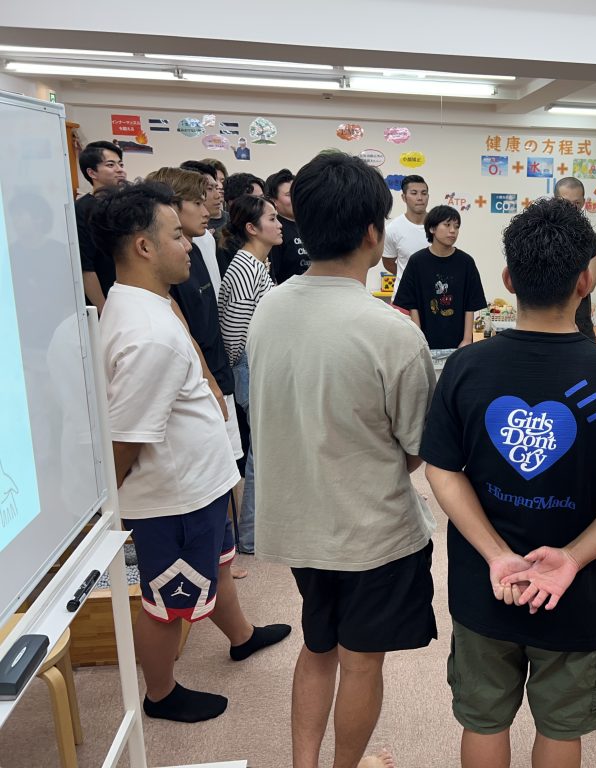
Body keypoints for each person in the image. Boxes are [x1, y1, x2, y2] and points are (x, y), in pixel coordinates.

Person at [421, 197, 596, 768]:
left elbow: (442, 469)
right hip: (576, 593)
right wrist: (572, 558)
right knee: (561, 727)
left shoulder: (466, 367)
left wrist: (496, 555)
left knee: (483, 719)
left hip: (486, 586)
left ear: (508, 280)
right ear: (585, 281)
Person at [247, 152, 436, 768]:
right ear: (374, 234)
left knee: (317, 646)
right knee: (360, 662)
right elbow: (416, 449)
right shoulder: (392, 332)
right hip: (369, 531)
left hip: (298, 525)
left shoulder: (270, 306)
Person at [91, 181, 290, 723]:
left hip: (199, 483)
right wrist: (110, 506)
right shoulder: (147, 333)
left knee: (217, 568)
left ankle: (242, 636)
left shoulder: (147, 304)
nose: (190, 245)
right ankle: (160, 695)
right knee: (168, 603)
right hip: (173, 499)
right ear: (143, 246)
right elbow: (127, 437)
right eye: (177, 235)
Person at [151, 166, 248, 578]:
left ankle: (225, 556)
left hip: (218, 372)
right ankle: (221, 556)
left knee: (228, 466)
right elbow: (186, 332)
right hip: (205, 380)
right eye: (197, 200)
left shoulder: (200, 246)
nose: (208, 207)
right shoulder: (169, 271)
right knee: (215, 473)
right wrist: (210, 380)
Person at [218, 195, 282, 555]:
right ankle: (251, 536)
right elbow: (234, 332)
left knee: (265, 451)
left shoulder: (257, 264)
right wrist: (242, 370)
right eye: (271, 218)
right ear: (251, 228)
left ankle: (258, 531)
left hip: (257, 363)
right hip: (250, 365)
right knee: (262, 454)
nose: (279, 224)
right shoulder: (245, 266)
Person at [392, 204, 487, 351]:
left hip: (458, 343)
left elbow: (470, 304)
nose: (453, 230)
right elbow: (412, 304)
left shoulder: (466, 262)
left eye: (456, 226)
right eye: (447, 225)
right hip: (425, 342)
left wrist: (467, 340)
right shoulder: (417, 261)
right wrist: (420, 339)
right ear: (432, 228)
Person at [76, 141, 127, 312]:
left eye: (121, 164)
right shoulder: (83, 209)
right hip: (104, 299)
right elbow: (86, 268)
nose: (119, 170)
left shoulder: (126, 205)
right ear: (92, 173)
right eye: (111, 165)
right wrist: (103, 310)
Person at [553, 177, 596, 340]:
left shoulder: (593, 241)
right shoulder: (540, 235)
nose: (571, 208)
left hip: (579, 323)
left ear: (583, 203)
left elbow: (589, 286)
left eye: (576, 203)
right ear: (555, 201)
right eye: (565, 202)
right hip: (542, 323)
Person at [180, 160, 225, 295]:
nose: (218, 195)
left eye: (216, 188)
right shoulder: (178, 242)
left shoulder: (206, 237)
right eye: (209, 189)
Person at [381, 174, 429, 298]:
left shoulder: (439, 225)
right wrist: (410, 277)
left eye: (424, 193)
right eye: (414, 193)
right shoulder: (392, 229)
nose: (420, 198)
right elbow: (388, 262)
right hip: (404, 297)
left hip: (433, 296)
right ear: (404, 197)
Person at [266, 168, 310, 284]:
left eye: (297, 192)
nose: (296, 198)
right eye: (289, 195)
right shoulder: (275, 229)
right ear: (273, 201)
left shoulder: (308, 224)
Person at [202, 157, 229, 231]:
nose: (220, 186)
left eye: (222, 180)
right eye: (215, 180)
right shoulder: (192, 224)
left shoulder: (233, 220)